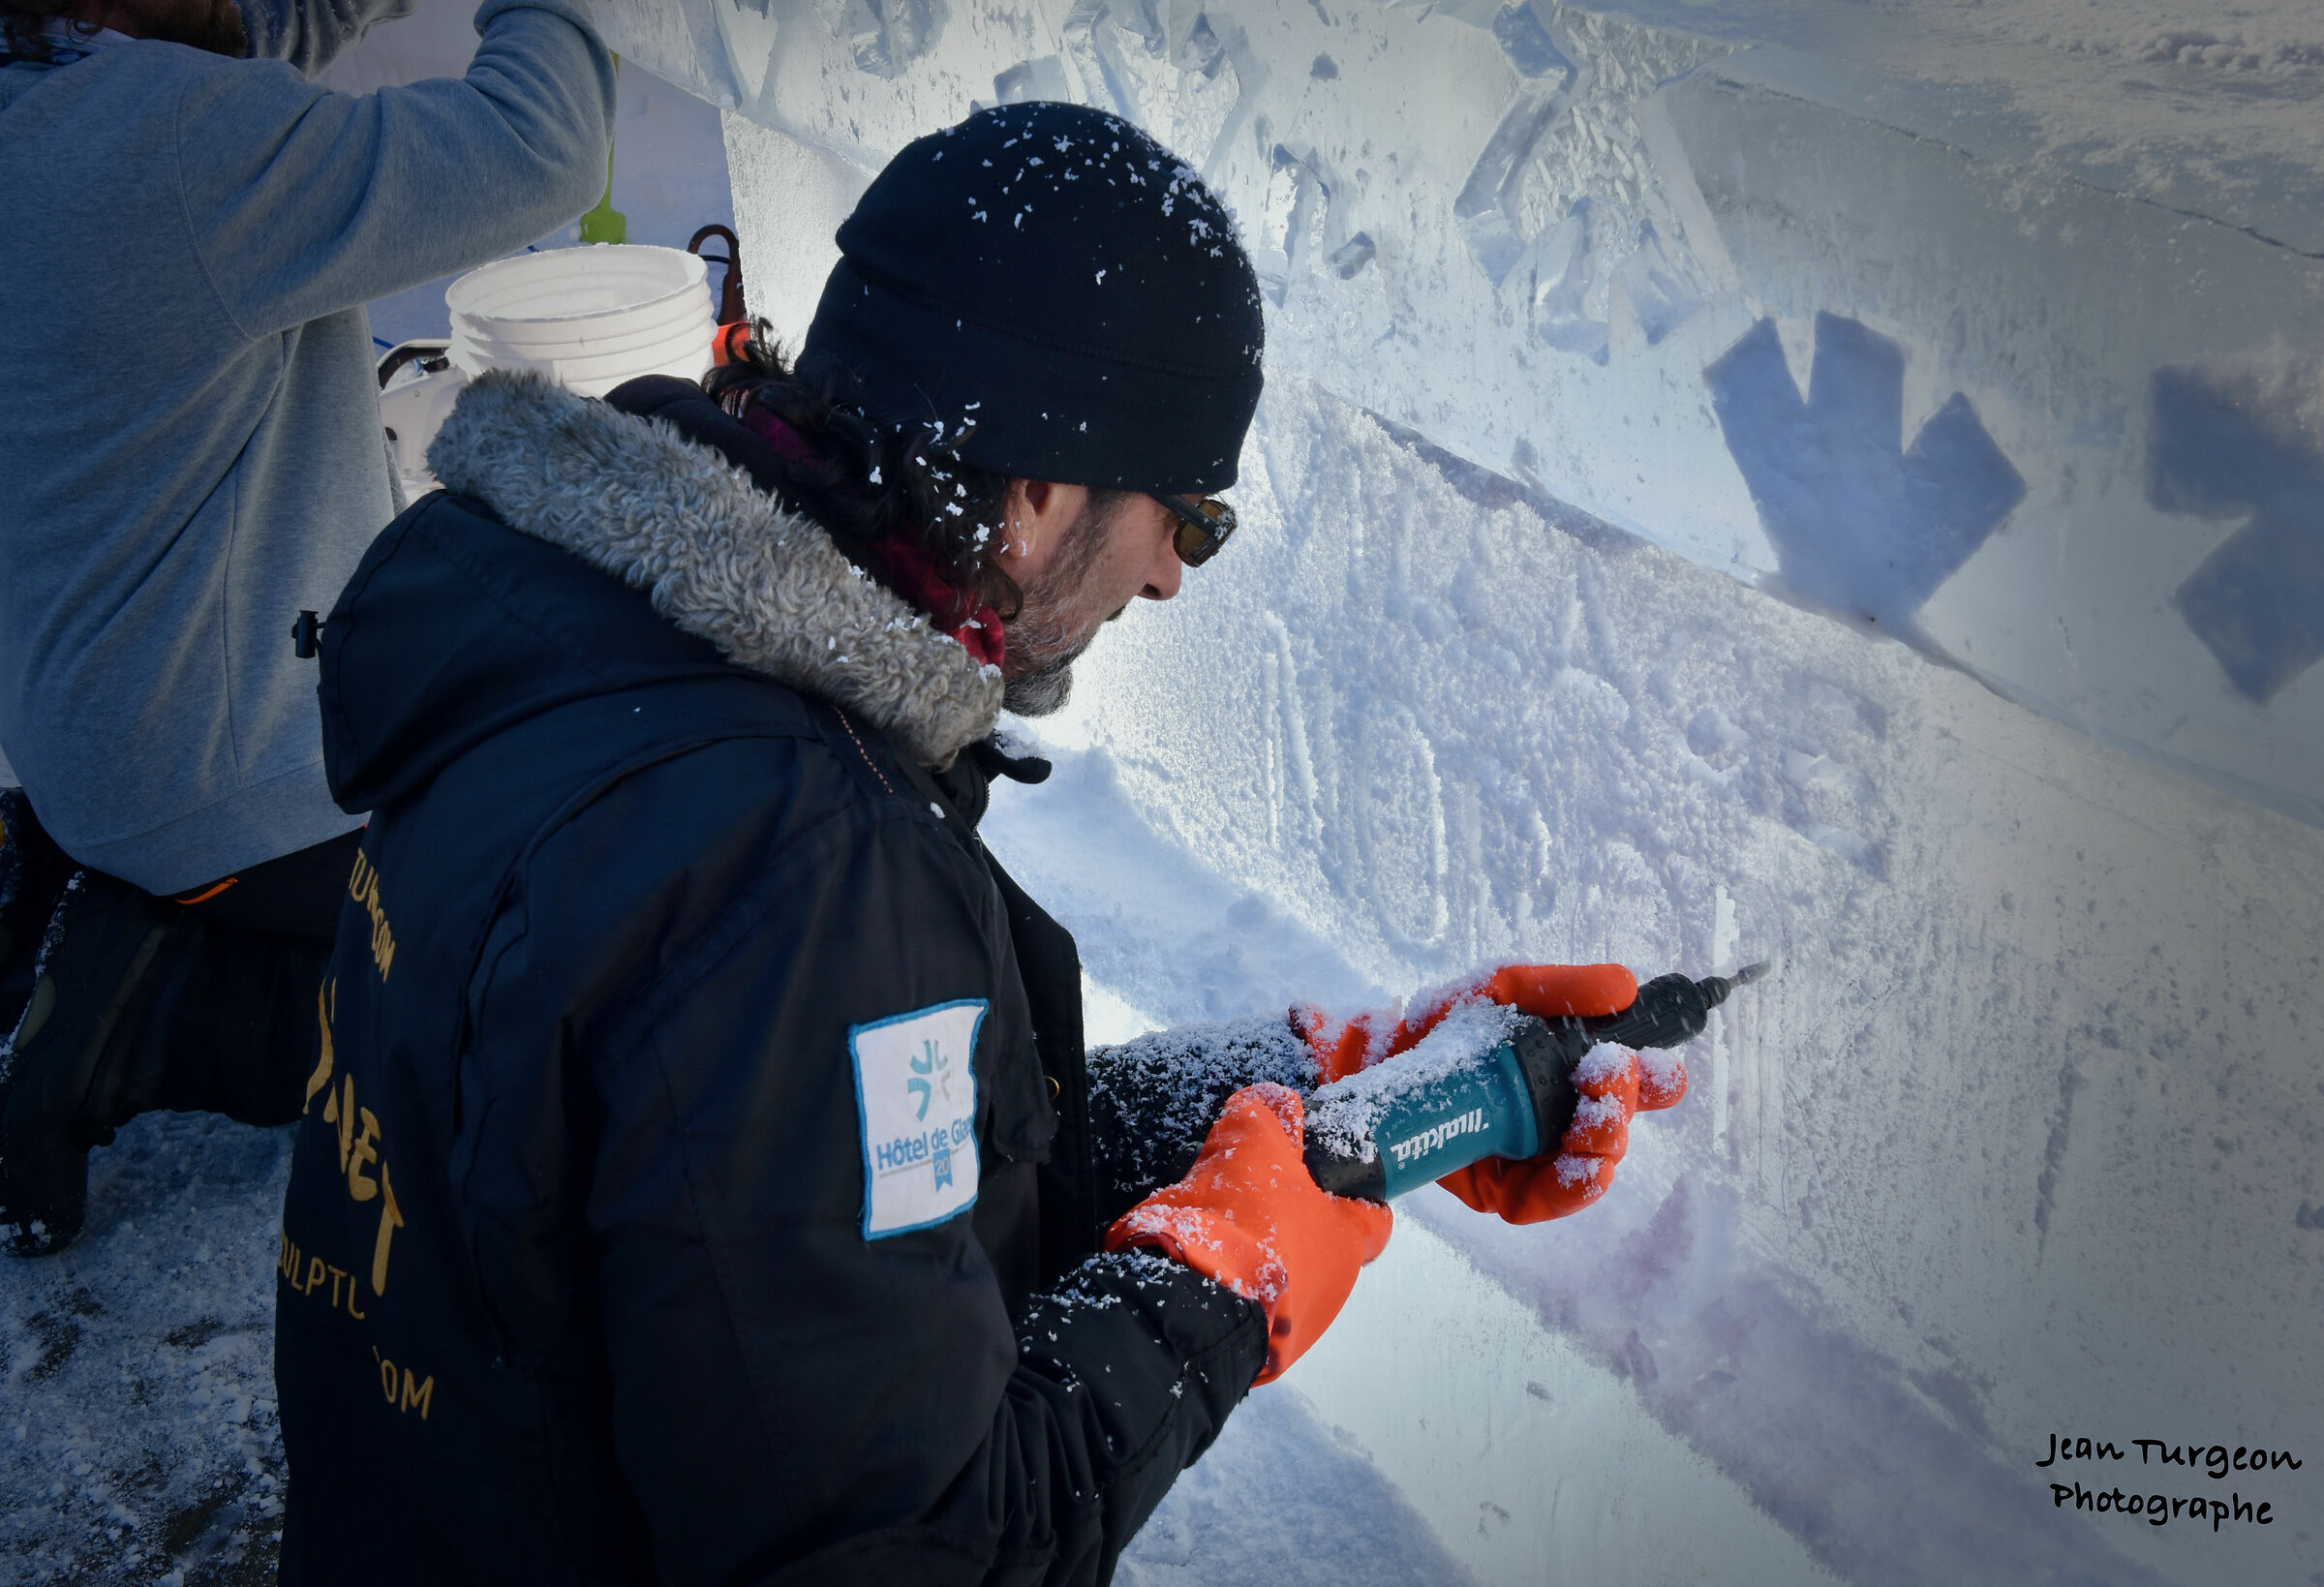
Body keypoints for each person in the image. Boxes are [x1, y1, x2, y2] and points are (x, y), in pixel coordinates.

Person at [271, 101, 1687, 1584]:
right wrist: (1211, 1285)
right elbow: (920, 1550)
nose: (1166, 582)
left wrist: (1326, 1082)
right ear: (1035, 494)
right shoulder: (802, 865)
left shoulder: (601, 634)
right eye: (1184, 519)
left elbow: (825, 1206)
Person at [0, 0, 615, 1254]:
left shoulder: (53, 97)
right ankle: (156, 999)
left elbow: (228, 46)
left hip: (88, 729)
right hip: (223, 775)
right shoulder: (168, 148)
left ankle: (90, 908)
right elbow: (539, 148)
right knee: (565, 951)